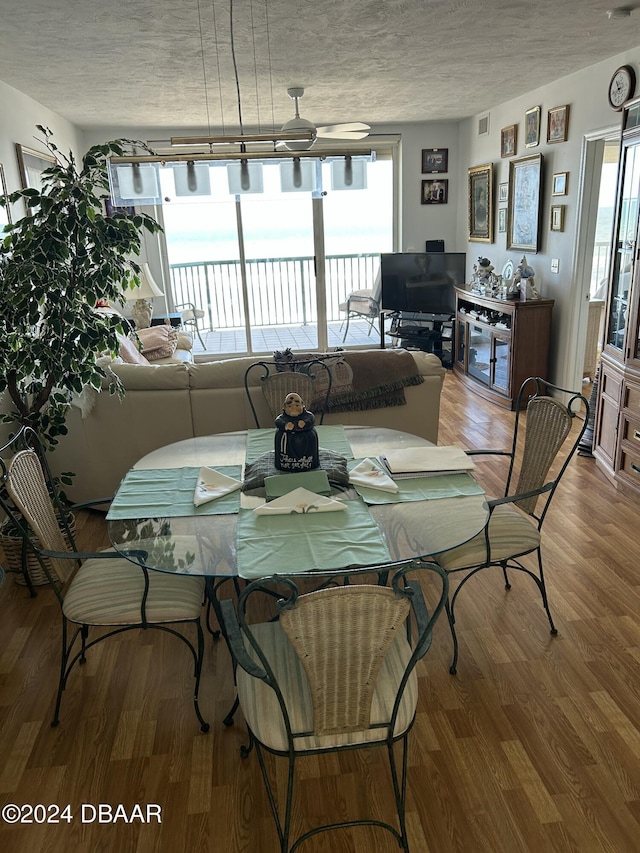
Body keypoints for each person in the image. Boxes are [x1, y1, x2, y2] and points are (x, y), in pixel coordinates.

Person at [274, 393, 319, 471]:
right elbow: (278, 421)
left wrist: (305, 423)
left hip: (307, 441)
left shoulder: (308, 416)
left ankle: (308, 462)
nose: (293, 408)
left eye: (297, 405)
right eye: (290, 406)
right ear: (284, 407)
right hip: (286, 441)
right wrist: (285, 425)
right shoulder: (282, 418)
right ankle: (285, 464)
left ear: (302, 405)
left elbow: (311, 419)